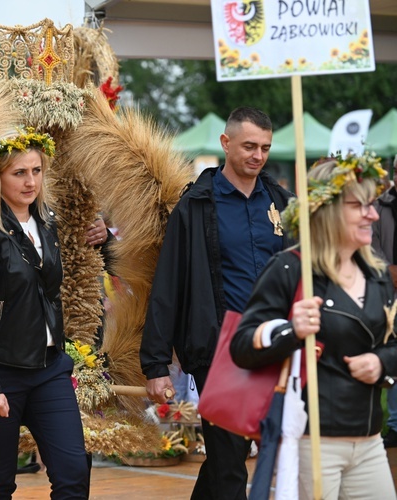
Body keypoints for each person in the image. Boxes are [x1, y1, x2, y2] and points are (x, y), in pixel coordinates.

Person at [140, 106, 294, 499]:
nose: (257, 155)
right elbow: (167, 286)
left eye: (264, 147)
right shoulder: (195, 206)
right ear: (226, 143)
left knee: (233, 452)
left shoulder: (282, 203)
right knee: (229, 460)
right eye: (248, 146)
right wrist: (156, 364)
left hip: (275, 343)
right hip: (219, 349)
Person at [231, 154, 397, 499]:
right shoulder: (290, 269)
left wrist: (382, 363)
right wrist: (292, 331)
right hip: (311, 443)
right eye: (360, 206)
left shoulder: (377, 273)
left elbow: (393, 344)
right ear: (330, 211)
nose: (373, 214)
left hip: (369, 442)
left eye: (372, 205)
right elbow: (241, 346)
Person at [0, 127, 91, 499]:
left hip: (48, 369)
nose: (30, 181)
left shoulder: (46, 223)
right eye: (19, 172)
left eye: (36, 170)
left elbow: (48, 291)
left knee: (73, 473)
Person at [370, 155, 397, 448]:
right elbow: (373, 249)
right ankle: (394, 425)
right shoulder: (379, 206)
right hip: (388, 293)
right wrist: (387, 270)